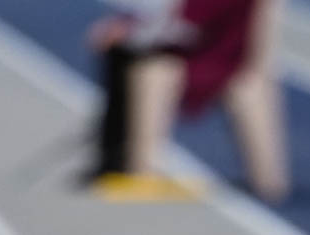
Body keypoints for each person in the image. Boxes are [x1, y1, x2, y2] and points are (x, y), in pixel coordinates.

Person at [87, 0, 289, 202]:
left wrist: (130, 32)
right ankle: (137, 164)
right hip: (230, 62)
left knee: (145, 66)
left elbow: (184, 27)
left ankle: (140, 167)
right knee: (142, 61)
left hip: (208, 61)